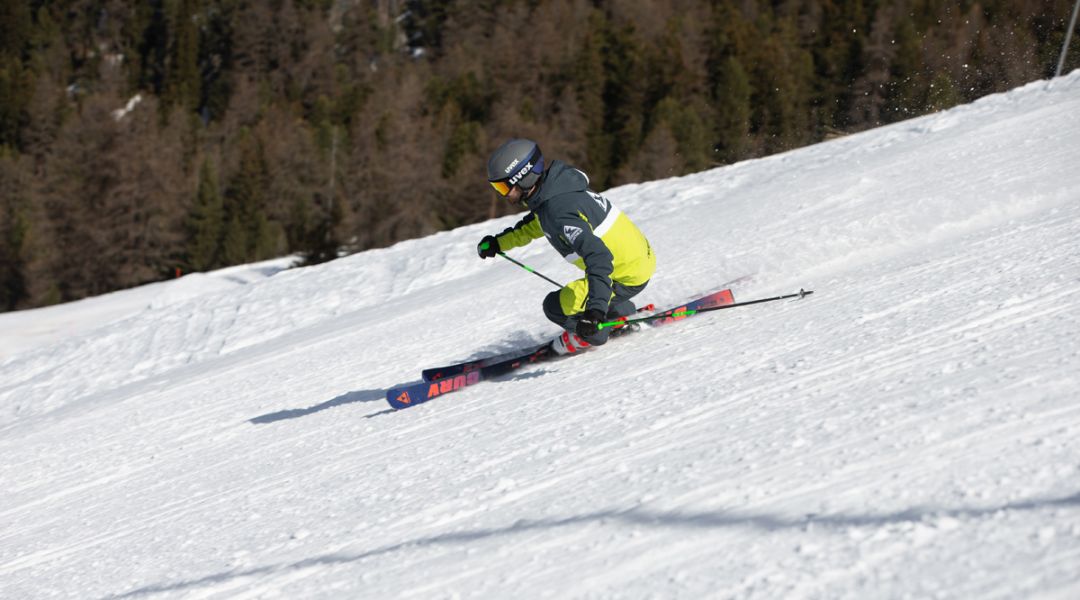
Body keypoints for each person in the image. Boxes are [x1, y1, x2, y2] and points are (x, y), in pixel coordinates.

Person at [477, 138, 656, 355]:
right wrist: (498, 243)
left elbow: (599, 258)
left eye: (504, 186)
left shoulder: (558, 211)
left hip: (626, 275)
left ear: (523, 178)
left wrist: (595, 313)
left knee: (555, 306)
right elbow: (535, 226)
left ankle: (595, 334)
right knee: (581, 292)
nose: (502, 193)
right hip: (638, 259)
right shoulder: (555, 192)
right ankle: (619, 313)